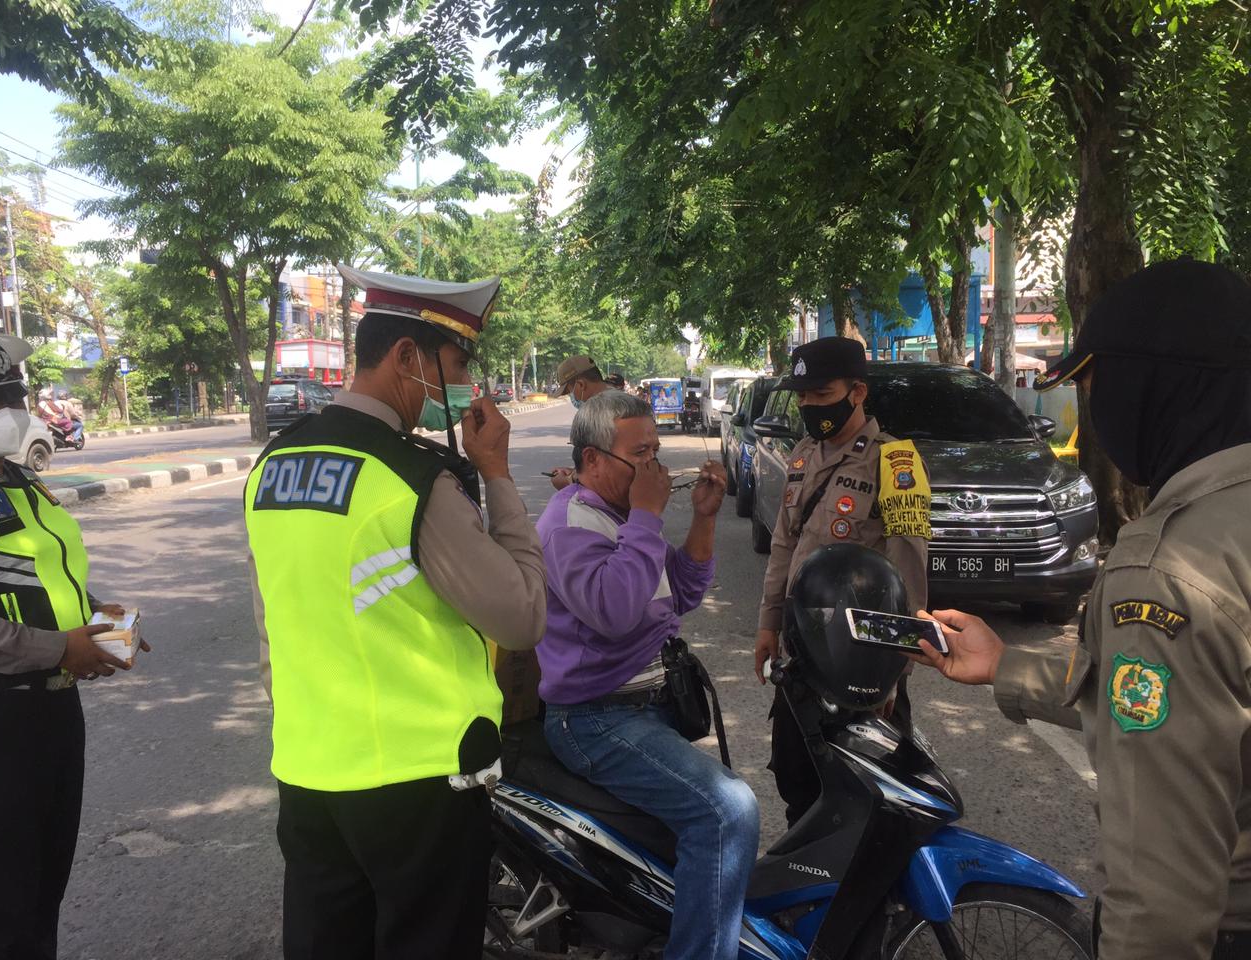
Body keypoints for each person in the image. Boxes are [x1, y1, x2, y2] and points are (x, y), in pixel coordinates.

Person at [910, 258, 1251, 960]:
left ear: (1148, 385)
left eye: (1094, 387)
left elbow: (1161, 904)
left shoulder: (1169, 575)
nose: (1095, 413)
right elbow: (1188, 696)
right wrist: (1010, 668)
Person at [245, 265, 547, 960]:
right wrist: (497, 475)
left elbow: (272, 626)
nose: (464, 385)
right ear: (406, 358)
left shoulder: (273, 465)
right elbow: (522, 615)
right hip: (418, 788)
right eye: (456, 364)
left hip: (309, 772)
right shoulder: (412, 479)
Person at [536, 391, 759, 960]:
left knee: (692, 825)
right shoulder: (571, 522)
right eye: (641, 454)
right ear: (592, 461)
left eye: (657, 451)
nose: (655, 467)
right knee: (728, 810)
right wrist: (648, 515)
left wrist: (704, 518)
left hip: (645, 705)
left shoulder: (620, 516)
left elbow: (679, 592)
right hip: (593, 718)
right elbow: (612, 610)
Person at [0, 333, 142, 960]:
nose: (4, 412)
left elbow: (43, 570)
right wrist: (56, 648)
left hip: (51, 710)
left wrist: (97, 616)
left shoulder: (16, 475)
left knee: (44, 882)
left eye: (9, 395)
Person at [754, 336, 931, 826]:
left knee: (870, 798)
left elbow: (909, 570)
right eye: (803, 396)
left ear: (857, 391)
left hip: (862, 660)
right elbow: (783, 548)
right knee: (798, 784)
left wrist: (895, 670)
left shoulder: (895, 462)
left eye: (821, 393)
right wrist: (768, 625)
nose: (810, 405)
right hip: (802, 656)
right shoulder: (802, 456)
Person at [549, 355, 611, 490]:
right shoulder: (629, 403)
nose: (573, 397)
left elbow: (605, 467)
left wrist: (569, 481)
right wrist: (575, 472)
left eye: (570, 391)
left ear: (581, 385)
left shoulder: (594, 413)